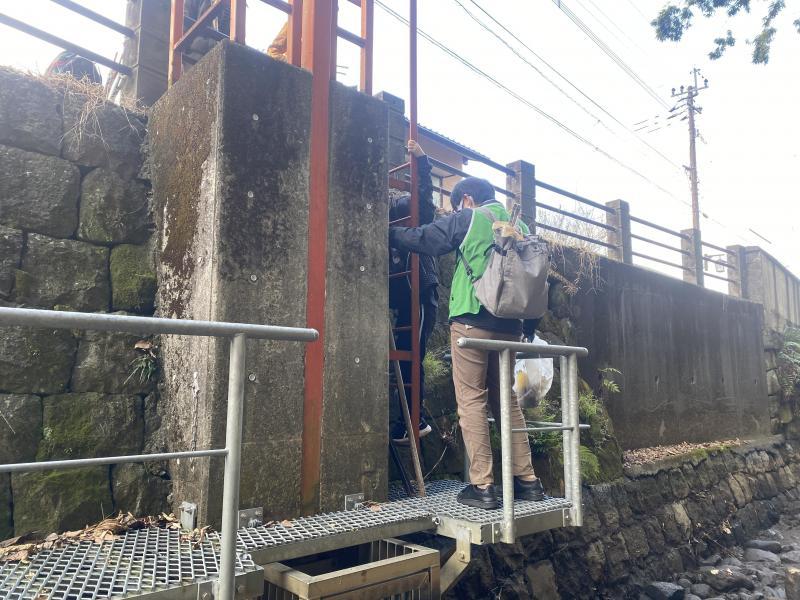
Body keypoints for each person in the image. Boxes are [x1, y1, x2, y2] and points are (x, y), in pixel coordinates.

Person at [389, 177, 544, 509]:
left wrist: (388, 233)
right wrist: (528, 327)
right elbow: (535, 276)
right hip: (511, 324)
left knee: (472, 401)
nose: (457, 209)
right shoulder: (520, 224)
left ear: (467, 199)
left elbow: (426, 239)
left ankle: (483, 486)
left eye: (458, 204)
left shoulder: (471, 217)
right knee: (507, 402)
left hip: (472, 319)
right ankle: (528, 482)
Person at [388, 140, 437, 444]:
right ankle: (407, 420)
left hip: (419, 290)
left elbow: (426, 209)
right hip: (400, 294)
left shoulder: (396, 203)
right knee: (405, 354)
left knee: (413, 353)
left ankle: (414, 420)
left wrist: (421, 164)